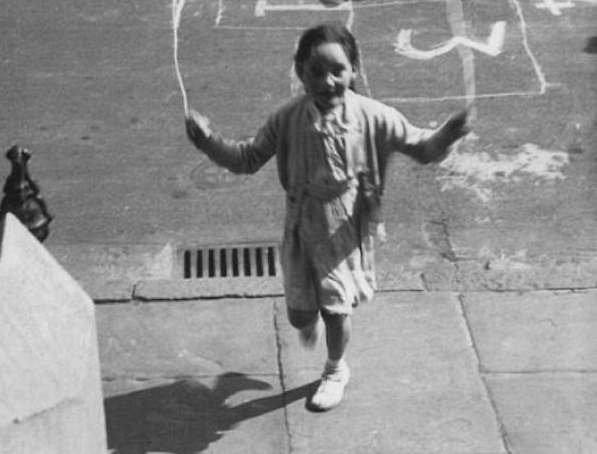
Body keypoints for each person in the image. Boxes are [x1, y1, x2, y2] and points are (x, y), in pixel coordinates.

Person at [185, 21, 472, 412]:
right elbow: (246, 158)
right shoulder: (286, 117)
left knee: (336, 308)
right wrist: (207, 141)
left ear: (354, 70)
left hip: (343, 229)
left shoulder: (371, 115)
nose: (327, 81)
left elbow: (421, 146)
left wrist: (450, 133)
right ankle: (310, 322)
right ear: (300, 71)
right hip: (301, 225)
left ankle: (336, 368)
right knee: (301, 316)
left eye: (338, 70)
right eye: (315, 71)